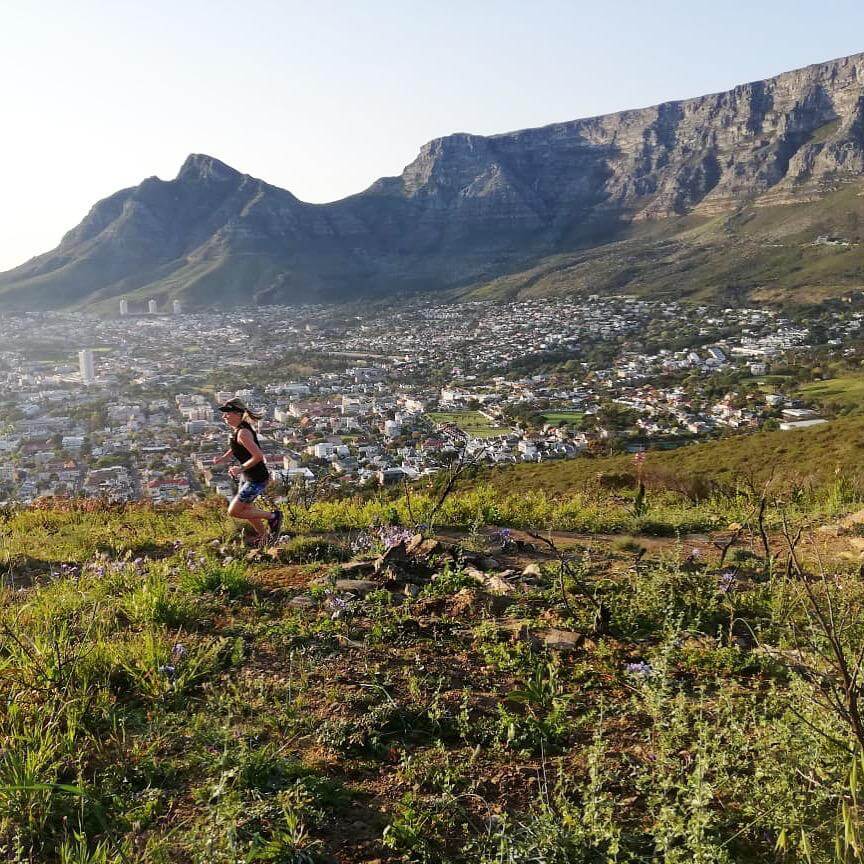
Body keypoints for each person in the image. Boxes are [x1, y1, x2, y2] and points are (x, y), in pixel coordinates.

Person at [212, 397, 282, 543]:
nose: (224, 416)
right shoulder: (237, 430)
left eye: (228, 413)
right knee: (247, 509)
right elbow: (236, 447)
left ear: (238, 414)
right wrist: (223, 458)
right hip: (248, 476)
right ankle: (264, 536)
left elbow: (258, 456)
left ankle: (273, 517)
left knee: (235, 511)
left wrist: (240, 468)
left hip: (256, 478)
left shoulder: (243, 432)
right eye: (224, 413)